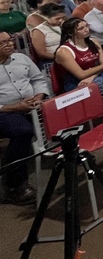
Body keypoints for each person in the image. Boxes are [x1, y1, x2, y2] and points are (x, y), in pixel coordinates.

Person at [0, 32, 50, 205]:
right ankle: (16, 185)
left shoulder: (21, 58)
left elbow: (38, 79)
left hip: (32, 104)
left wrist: (38, 97)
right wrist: (15, 107)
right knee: (22, 131)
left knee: (61, 111)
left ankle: (69, 155)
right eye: (2, 43)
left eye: (9, 41)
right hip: (4, 111)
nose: (9, 45)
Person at [53, 18, 103, 106]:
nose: (86, 29)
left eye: (87, 26)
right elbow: (81, 75)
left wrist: (93, 76)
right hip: (76, 81)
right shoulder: (63, 51)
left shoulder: (94, 41)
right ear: (70, 33)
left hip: (95, 74)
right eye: (81, 28)